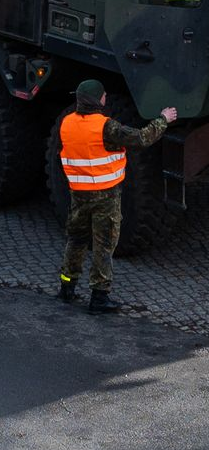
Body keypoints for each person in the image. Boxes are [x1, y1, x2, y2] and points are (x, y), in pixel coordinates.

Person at [57, 80, 177, 314]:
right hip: (105, 196)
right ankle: (99, 298)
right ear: (99, 100)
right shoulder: (106, 127)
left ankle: (66, 287)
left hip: (78, 194)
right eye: (103, 96)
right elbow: (142, 138)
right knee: (103, 245)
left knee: (76, 240)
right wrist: (164, 119)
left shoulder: (67, 123)